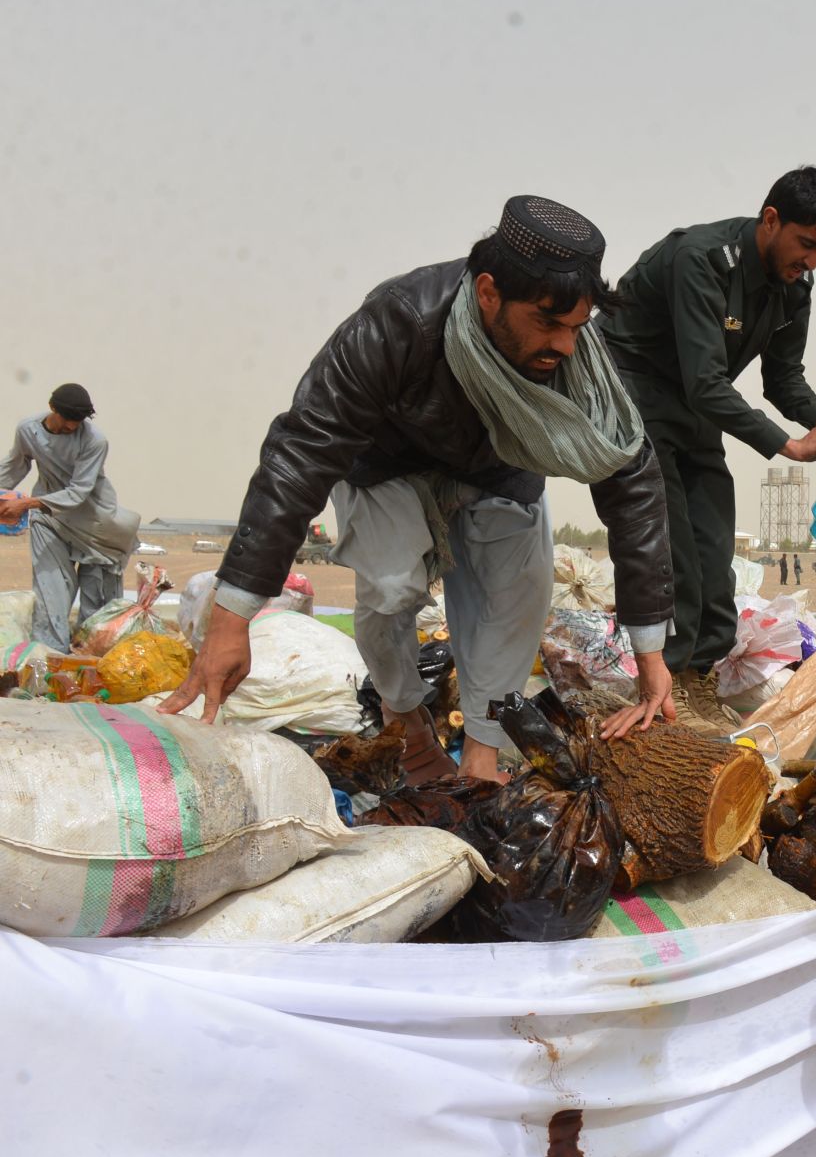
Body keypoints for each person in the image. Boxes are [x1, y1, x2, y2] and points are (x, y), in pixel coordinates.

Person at [162, 196, 677, 780]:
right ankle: (405, 719)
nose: (564, 346)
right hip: (387, 463)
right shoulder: (399, 322)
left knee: (520, 594)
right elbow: (301, 452)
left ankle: (482, 751)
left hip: (494, 469)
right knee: (390, 588)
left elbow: (631, 480)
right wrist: (231, 621)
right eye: (548, 323)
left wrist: (650, 655)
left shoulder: (577, 358)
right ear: (488, 294)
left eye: (576, 327)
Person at [601, 166, 816, 731]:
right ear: (770, 220)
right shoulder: (700, 259)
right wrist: (791, 446)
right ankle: (663, 697)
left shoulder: (795, 285)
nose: (812, 261)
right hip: (632, 388)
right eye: (806, 243)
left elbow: (783, 380)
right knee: (670, 548)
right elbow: (705, 380)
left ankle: (696, 680)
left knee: (713, 551)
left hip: (697, 401)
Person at [0, 383, 139, 653]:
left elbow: (79, 492)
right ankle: (49, 657)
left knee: (97, 602)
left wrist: (27, 503)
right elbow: (15, 465)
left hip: (94, 521)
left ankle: (90, 661)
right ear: (53, 409)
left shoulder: (95, 440)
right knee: (50, 590)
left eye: (77, 422)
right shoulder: (28, 430)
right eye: (67, 420)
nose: (72, 427)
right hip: (48, 517)